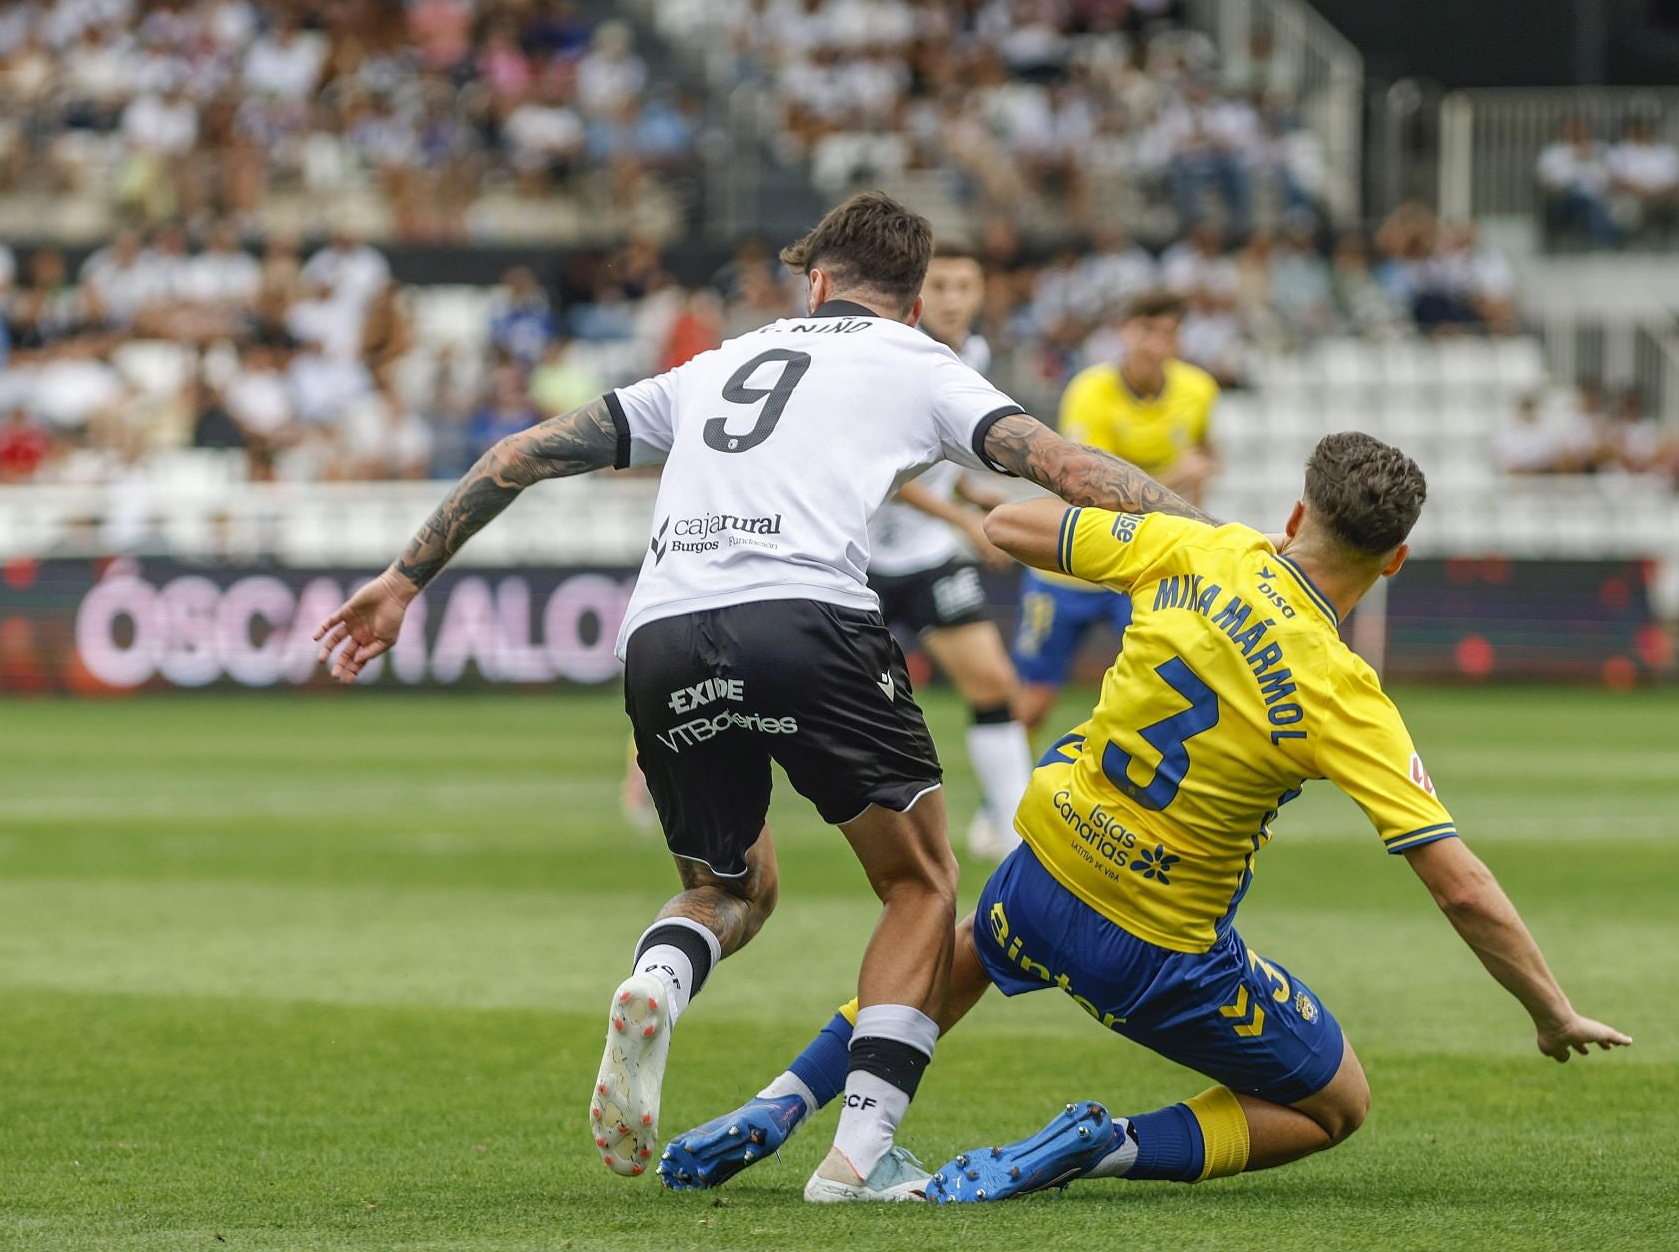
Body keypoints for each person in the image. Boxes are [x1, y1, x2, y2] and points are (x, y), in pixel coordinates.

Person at [312, 192, 1207, 1203]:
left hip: (661, 633)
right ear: (912, 302)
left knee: (729, 888)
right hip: (809, 619)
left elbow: (517, 454)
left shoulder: (718, 363)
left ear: (816, 283)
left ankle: (658, 979)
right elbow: (1064, 467)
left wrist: (401, 579)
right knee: (919, 885)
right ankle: (857, 1158)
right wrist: (1224, 543)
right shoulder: (921, 364)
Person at [660, 432, 1631, 1199]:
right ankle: (1105, 1146)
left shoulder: (1201, 547)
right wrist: (1549, 1010)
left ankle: (776, 1104)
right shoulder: (1346, 691)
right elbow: (1456, 880)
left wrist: (1171, 524)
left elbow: (1010, 528)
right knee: (1337, 1102)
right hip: (1156, 947)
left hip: (1043, 872)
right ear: (1397, 559)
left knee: (955, 955)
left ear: (1297, 511)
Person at [866, 242, 1029, 862]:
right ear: (917, 293)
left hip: (930, 554)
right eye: (944, 286)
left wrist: (981, 497)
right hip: (859, 561)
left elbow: (935, 467)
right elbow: (891, 476)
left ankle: (1014, 833)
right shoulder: (893, 360)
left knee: (993, 682)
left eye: (967, 285)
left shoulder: (973, 356)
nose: (956, 299)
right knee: (780, 698)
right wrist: (965, 520)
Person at [1015, 290, 1218, 743]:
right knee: (1033, 702)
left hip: (1143, 567)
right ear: (1124, 332)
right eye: (1147, 330)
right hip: (1073, 564)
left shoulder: (1198, 389)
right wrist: (1172, 477)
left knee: (1172, 688)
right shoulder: (1090, 391)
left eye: (1169, 332)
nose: (1157, 344)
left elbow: (1203, 455)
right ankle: (998, 802)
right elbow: (1085, 488)